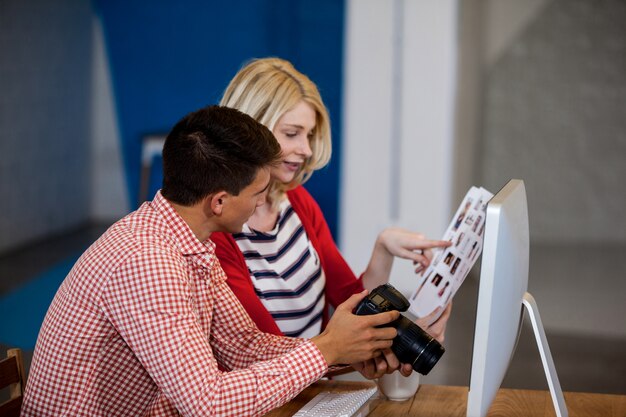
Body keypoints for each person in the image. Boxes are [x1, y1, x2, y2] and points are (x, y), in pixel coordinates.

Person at [21, 106, 401, 416]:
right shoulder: (148, 261)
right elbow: (209, 402)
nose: (261, 203)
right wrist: (326, 350)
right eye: (258, 193)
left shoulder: (189, 240)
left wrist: (345, 351)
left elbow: (244, 346)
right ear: (219, 202)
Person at [212, 58, 452, 378]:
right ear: (250, 129)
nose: (306, 149)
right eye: (292, 133)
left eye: (309, 135)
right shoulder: (217, 232)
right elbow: (263, 352)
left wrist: (383, 248)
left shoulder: (297, 202)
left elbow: (349, 301)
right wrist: (361, 352)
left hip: (312, 389)